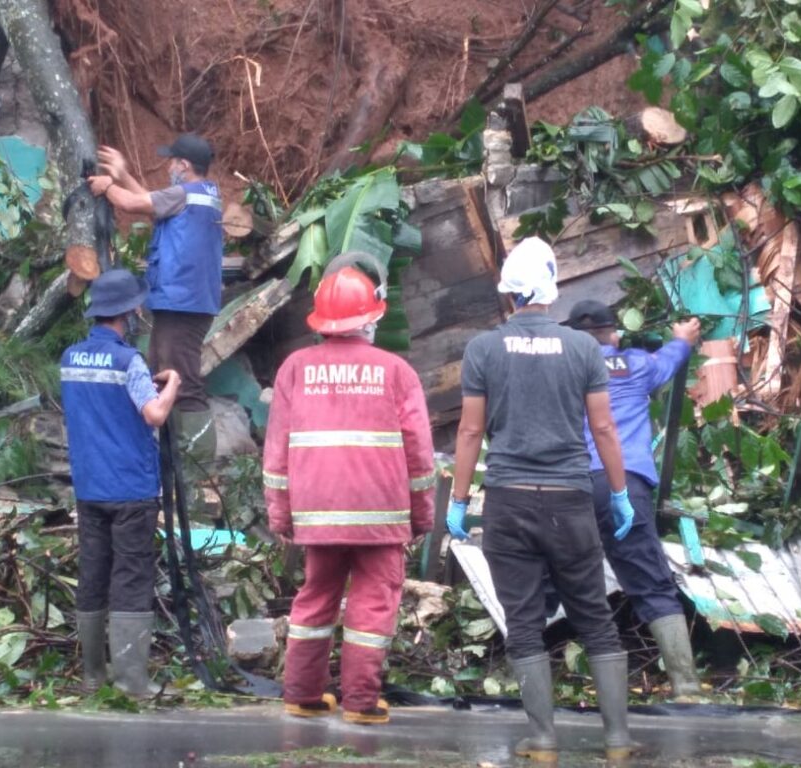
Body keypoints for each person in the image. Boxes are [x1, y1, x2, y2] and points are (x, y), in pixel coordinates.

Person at [448, 237, 635, 762]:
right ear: (550, 291)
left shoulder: (483, 349)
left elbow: (468, 432)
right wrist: (619, 494)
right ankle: (618, 741)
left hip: (508, 501)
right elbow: (603, 427)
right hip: (570, 500)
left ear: (508, 293)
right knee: (594, 616)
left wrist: (459, 501)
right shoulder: (582, 348)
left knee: (524, 620)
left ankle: (544, 740)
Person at [263, 254, 436, 725]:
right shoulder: (396, 372)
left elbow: (276, 454)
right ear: (371, 316)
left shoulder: (295, 369)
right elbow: (419, 455)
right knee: (373, 604)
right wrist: (421, 516)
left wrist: (281, 516)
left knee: (315, 596)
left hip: (318, 516)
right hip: (379, 519)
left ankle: (302, 695)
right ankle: (360, 703)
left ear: (321, 321)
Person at [565, 299, 703, 697]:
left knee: (570, 581)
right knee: (651, 583)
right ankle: (688, 688)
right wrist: (683, 339)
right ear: (616, 334)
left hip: (570, 487)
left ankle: (584, 686)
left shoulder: (561, 371)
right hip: (624, 484)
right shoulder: (636, 365)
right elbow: (670, 360)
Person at [60, 268, 181, 696]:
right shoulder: (128, 360)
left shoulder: (71, 358)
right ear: (129, 312)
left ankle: (93, 678)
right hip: (131, 488)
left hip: (90, 487)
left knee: (93, 574)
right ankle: (131, 682)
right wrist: (172, 386)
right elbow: (154, 414)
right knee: (130, 578)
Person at [88, 133, 222, 466]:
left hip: (183, 303)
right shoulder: (202, 195)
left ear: (184, 165)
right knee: (161, 376)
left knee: (184, 384)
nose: (169, 167)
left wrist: (107, 187)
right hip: (184, 302)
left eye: (172, 162)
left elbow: (135, 204)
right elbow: (154, 203)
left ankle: (198, 473)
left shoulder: (185, 194)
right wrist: (121, 174)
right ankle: (172, 460)